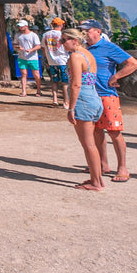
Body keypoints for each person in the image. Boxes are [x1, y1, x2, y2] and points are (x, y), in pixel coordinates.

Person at [82, 20, 137, 183]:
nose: (84, 33)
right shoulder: (85, 49)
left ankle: (122, 167)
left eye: (88, 30)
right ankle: (102, 163)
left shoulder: (108, 47)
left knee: (114, 131)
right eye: (82, 30)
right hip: (91, 94)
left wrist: (116, 76)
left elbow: (134, 63)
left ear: (98, 31)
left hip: (107, 94)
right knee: (96, 131)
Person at [62, 27, 104, 191]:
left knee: (88, 145)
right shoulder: (88, 55)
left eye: (64, 40)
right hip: (93, 97)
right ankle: (97, 178)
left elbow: (76, 83)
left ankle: (96, 182)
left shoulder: (76, 56)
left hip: (83, 100)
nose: (62, 43)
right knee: (91, 143)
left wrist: (71, 108)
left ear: (75, 40)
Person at [13, 19, 43, 99]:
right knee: (24, 74)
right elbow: (14, 45)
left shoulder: (33, 35)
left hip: (32, 57)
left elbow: (38, 46)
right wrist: (18, 47)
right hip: (22, 57)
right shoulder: (18, 35)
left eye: (21, 26)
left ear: (26, 26)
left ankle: (39, 89)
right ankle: (24, 91)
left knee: (36, 74)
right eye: (19, 26)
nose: (20, 28)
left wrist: (31, 50)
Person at [42, 18, 68, 106]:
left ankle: (55, 99)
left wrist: (47, 57)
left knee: (54, 80)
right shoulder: (63, 35)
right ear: (61, 25)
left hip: (51, 61)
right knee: (65, 82)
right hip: (63, 60)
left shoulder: (45, 35)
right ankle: (65, 101)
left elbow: (43, 47)